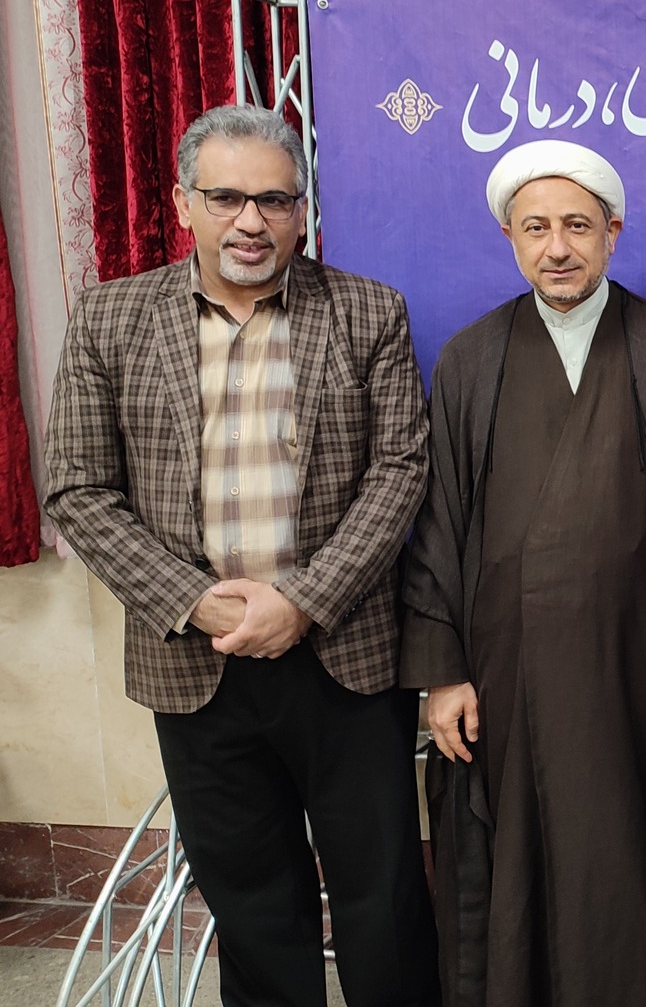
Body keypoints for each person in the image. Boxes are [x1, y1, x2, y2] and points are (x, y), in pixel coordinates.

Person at [43, 104, 438, 1007]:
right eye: (226, 197)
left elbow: (401, 469)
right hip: (196, 662)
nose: (251, 221)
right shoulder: (110, 318)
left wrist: (302, 602)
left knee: (384, 901)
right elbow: (77, 488)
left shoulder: (369, 311)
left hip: (344, 659)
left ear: (302, 212)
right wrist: (198, 601)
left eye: (274, 200)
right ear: (184, 203)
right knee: (254, 909)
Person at [399, 140, 646, 1007]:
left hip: (645, 679)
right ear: (510, 238)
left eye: (578, 227)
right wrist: (442, 672)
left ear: (612, 233)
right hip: (504, 682)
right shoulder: (471, 361)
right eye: (537, 228)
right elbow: (434, 524)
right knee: (517, 858)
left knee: (633, 852)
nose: (558, 248)